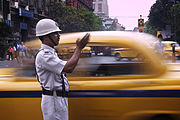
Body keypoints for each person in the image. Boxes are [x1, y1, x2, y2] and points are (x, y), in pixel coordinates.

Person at [35, 19, 90, 120]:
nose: (58, 36)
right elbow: (68, 68)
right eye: (55, 33)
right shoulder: (44, 55)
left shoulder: (51, 53)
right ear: (45, 37)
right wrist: (78, 48)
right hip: (53, 101)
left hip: (58, 99)